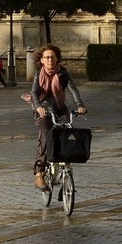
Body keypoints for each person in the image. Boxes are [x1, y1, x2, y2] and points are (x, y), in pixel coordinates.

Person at [27, 42, 86, 191]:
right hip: (43, 109)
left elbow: (72, 89)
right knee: (46, 136)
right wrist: (38, 106)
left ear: (57, 58)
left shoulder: (63, 72)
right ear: (41, 60)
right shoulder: (38, 73)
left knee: (66, 133)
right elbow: (34, 92)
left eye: (52, 57)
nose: (50, 60)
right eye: (46, 57)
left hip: (60, 108)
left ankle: (64, 168)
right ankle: (39, 173)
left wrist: (79, 105)